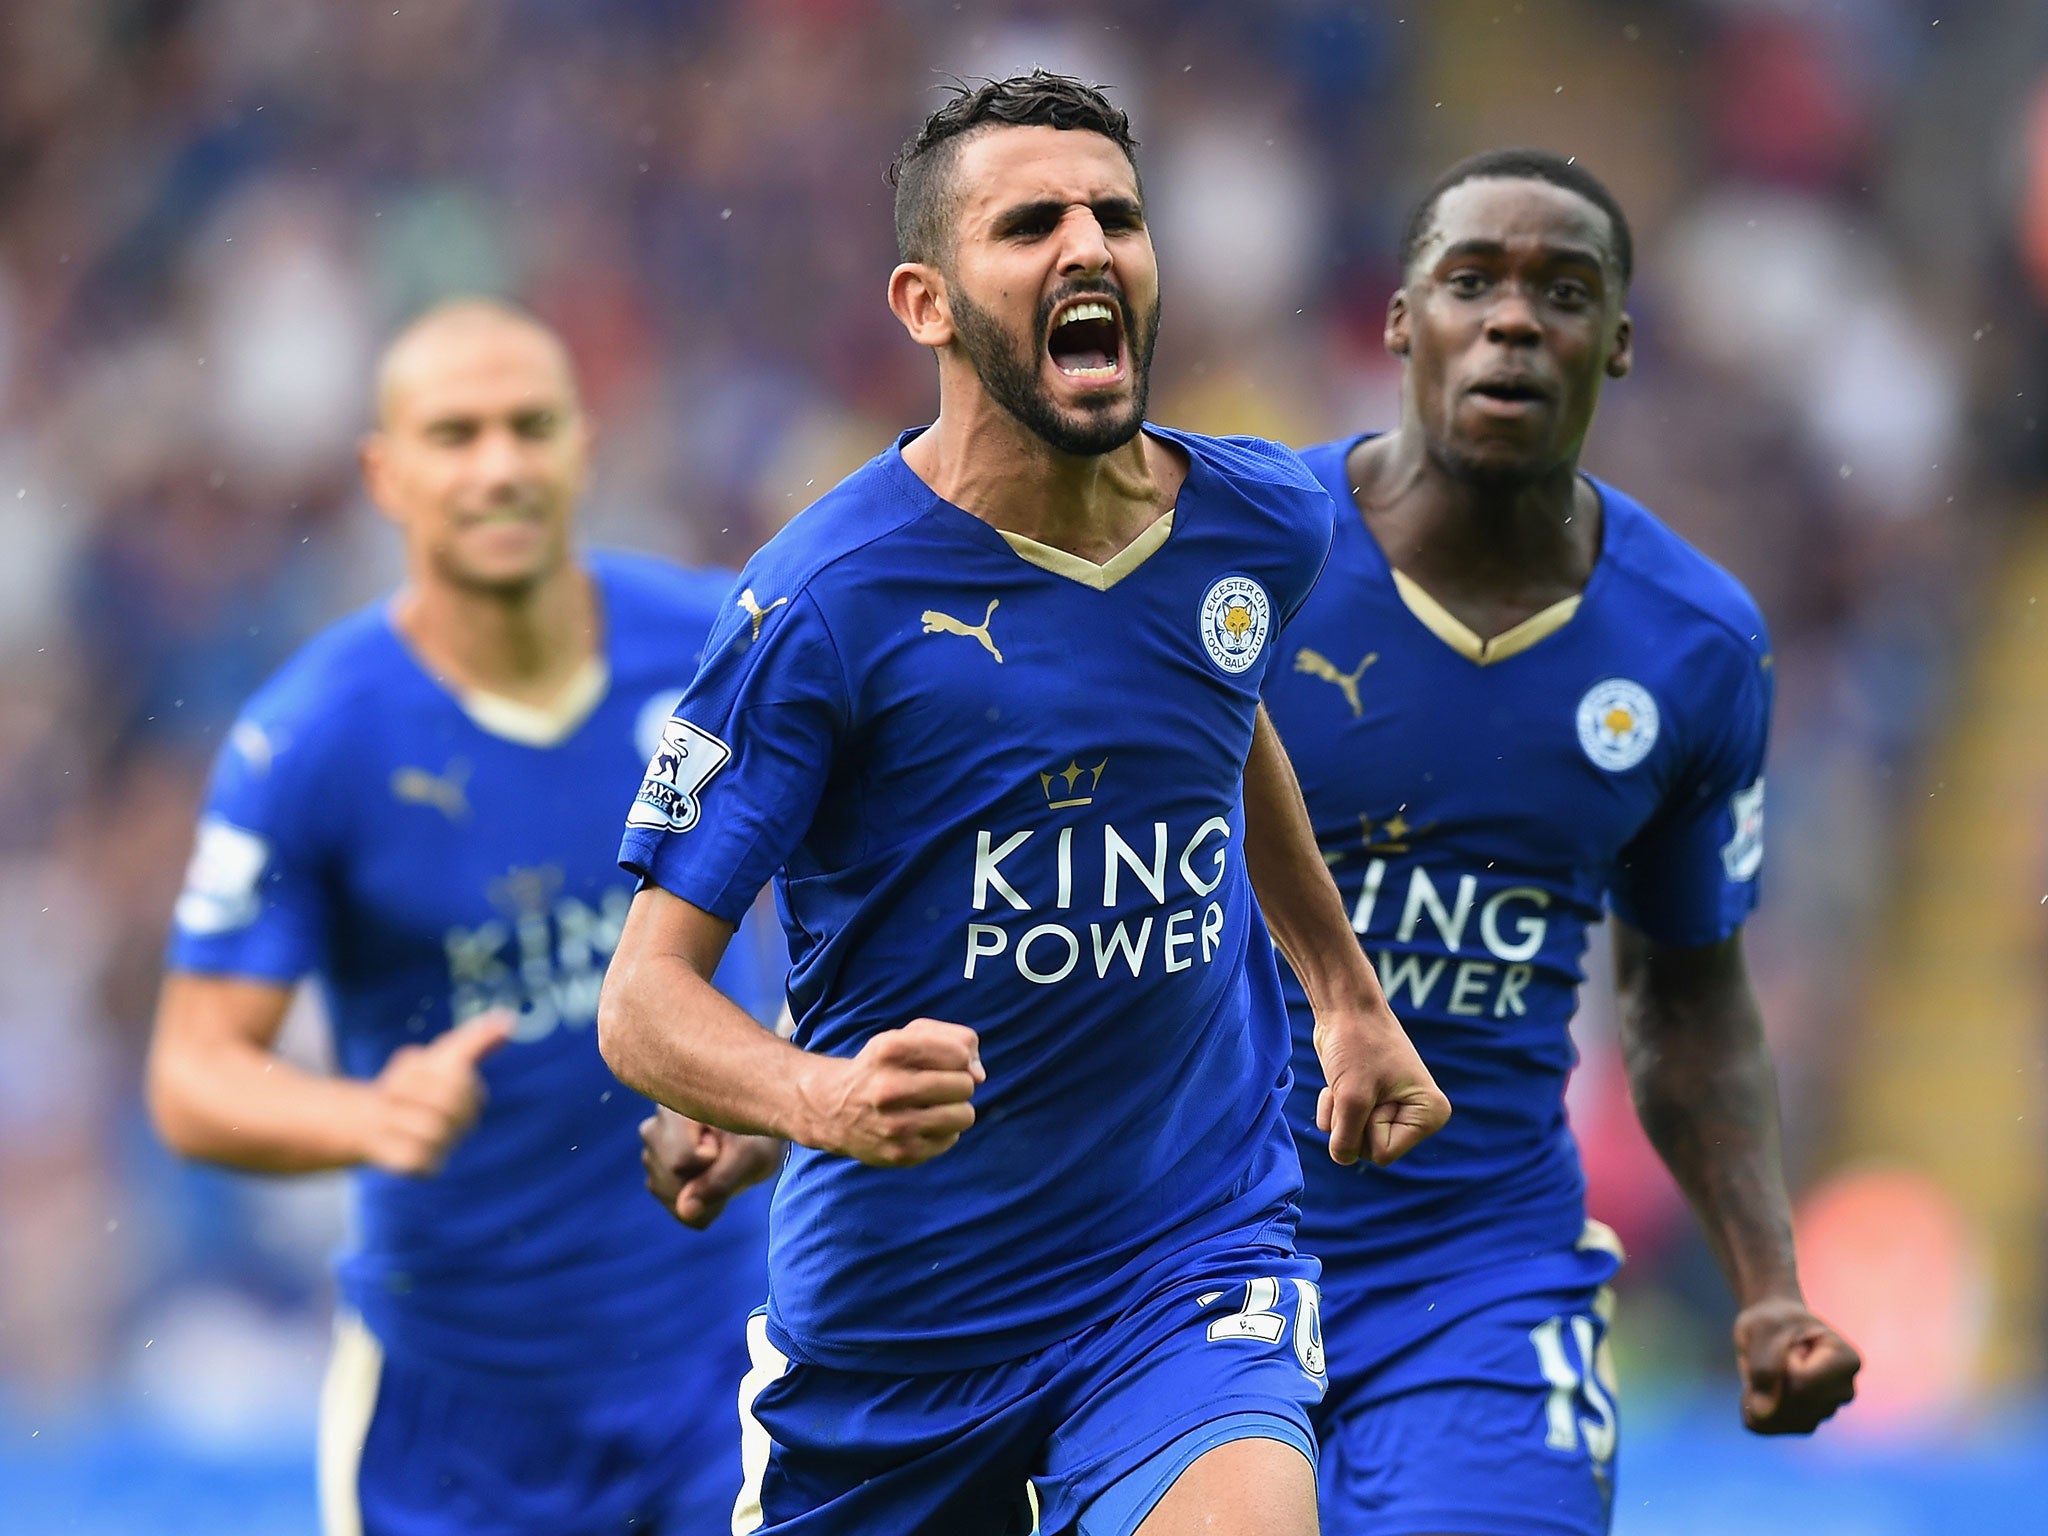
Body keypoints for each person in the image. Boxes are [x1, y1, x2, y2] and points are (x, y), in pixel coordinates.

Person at [597, 73, 1449, 1536]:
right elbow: (641, 1004)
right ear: (926, 302)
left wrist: (1345, 994)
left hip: (1184, 1267)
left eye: (1117, 215)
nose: (1089, 246)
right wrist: (814, 1097)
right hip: (899, 1337)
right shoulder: (823, 605)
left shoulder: (1257, 521)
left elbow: (1217, 719)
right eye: (1031, 222)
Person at [1261, 148, 1863, 1535]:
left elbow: (1690, 1000)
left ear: (1622, 344)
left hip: (1478, 1281)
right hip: (1200, 1263)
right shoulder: (1246, 558)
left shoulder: (1694, 646)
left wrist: (1769, 1284)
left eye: (1564, 290)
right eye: (1471, 282)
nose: (1515, 320)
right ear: (1402, 321)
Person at [147, 299, 783, 1536]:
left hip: (730, 1362)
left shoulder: (726, 644)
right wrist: (366, 1115)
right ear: (384, 473)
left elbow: (871, 887)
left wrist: (779, 1091)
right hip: (452, 1414)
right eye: (455, 434)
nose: (498, 465)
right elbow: (190, 1073)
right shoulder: (312, 740)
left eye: (528, 426)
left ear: (582, 446)